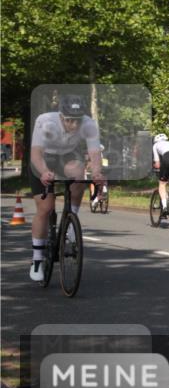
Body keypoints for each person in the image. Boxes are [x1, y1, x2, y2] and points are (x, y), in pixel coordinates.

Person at [28, 95, 105, 281]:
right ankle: (37, 259)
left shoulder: (89, 124)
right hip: (43, 158)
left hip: (66, 155)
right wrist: (45, 172)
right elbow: (36, 155)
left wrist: (96, 174)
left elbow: (94, 154)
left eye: (77, 121)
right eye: (69, 120)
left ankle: (71, 219)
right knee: (45, 208)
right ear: (61, 116)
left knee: (78, 174)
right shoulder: (45, 121)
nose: (73, 125)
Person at [152, 133, 169, 216]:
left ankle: (164, 207)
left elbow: (157, 163)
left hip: (167, 158)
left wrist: (156, 166)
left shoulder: (156, 145)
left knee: (162, 183)